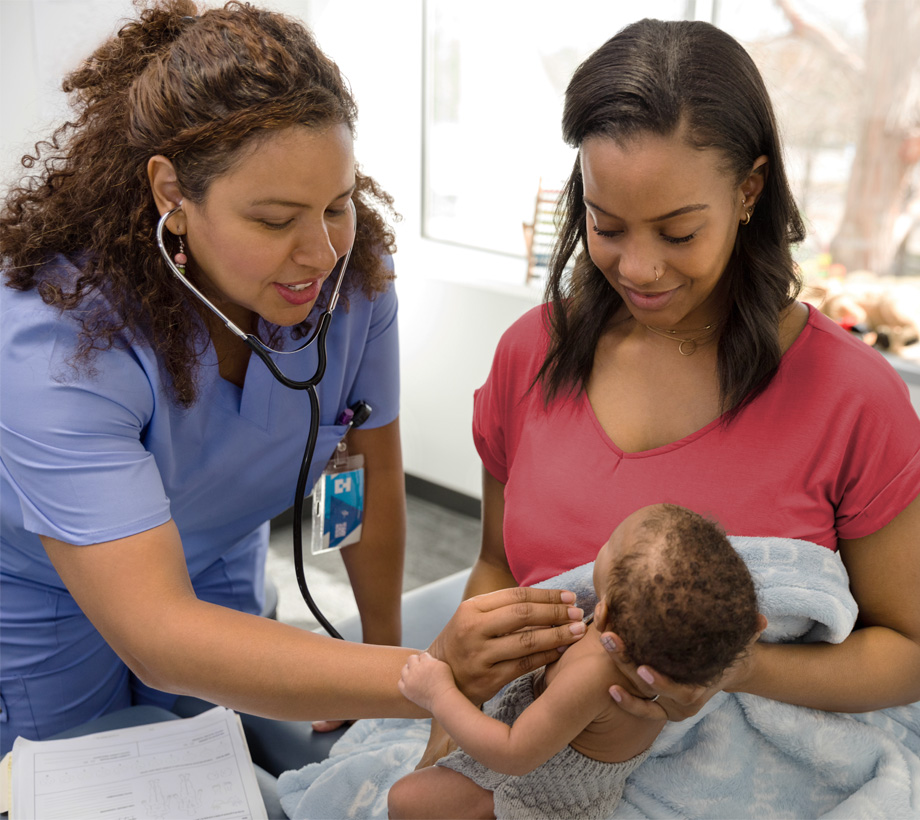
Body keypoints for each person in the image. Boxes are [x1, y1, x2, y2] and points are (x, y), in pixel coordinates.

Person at [0, 0, 585, 764]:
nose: (319, 253)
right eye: (276, 221)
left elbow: (368, 479)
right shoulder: (58, 342)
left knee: (214, 762)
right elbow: (159, 637)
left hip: (218, 566)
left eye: (336, 205)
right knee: (85, 773)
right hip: (50, 596)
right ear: (172, 195)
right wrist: (421, 678)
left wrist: (385, 675)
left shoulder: (355, 289)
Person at [420, 15, 920, 771]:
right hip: (539, 756)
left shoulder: (854, 400)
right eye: (606, 224)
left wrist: (735, 669)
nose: (640, 268)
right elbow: (498, 568)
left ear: (749, 190)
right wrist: (455, 677)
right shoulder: (533, 353)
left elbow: (909, 654)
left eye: (679, 233)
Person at [389, 504, 761, 820]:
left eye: (608, 546)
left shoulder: (596, 672)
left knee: (406, 801)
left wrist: (438, 694)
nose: (600, 548)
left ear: (604, 614)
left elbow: (513, 754)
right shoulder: (675, 651)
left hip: (538, 793)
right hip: (552, 761)